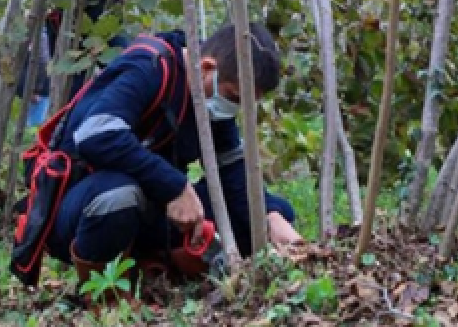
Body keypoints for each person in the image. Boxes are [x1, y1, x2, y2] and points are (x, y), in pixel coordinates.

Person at [21, 22, 302, 304]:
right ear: (206, 68)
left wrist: (270, 218)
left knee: (267, 212)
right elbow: (96, 135)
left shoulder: (211, 104)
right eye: (233, 97)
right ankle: (105, 297)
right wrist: (175, 186)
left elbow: (233, 176)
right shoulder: (149, 67)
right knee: (118, 194)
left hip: (149, 206)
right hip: (82, 206)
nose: (234, 107)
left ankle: (157, 271)